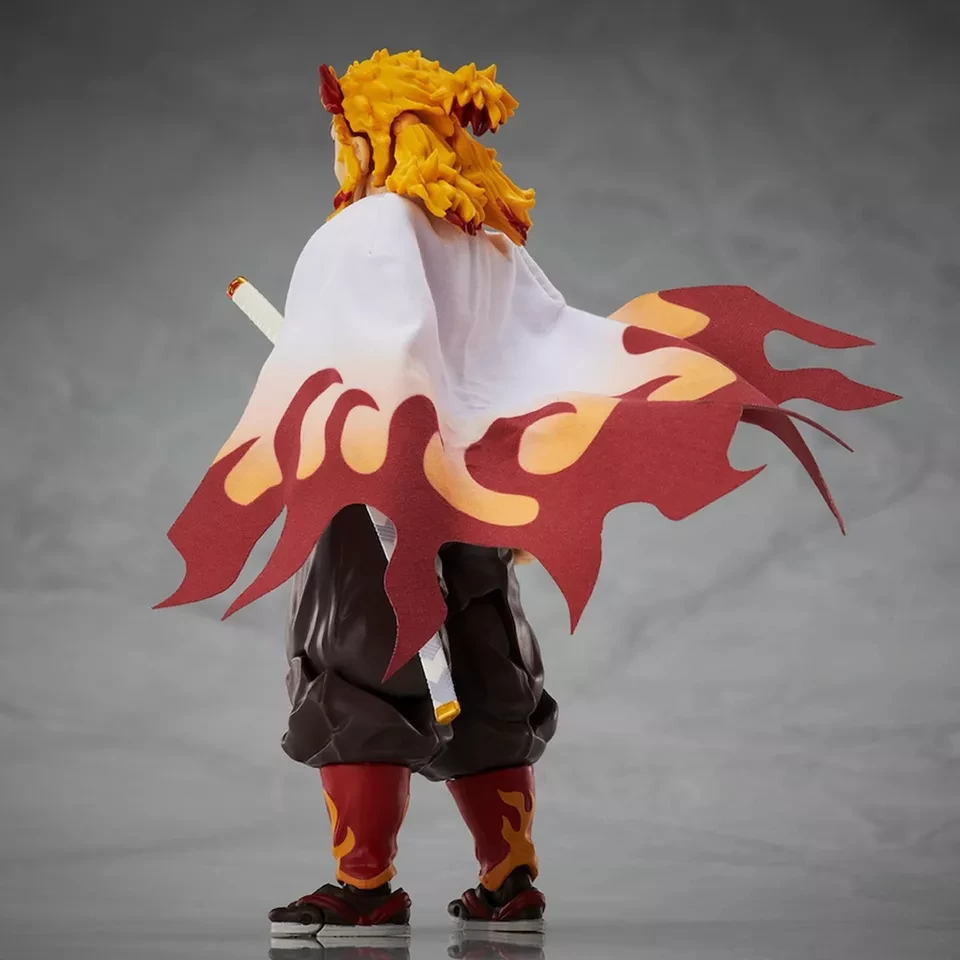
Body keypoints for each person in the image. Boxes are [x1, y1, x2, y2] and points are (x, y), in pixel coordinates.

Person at [157, 49, 898, 938]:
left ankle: (365, 885)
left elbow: (372, 368)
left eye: (338, 135)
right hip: (481, 493)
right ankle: (509, 879)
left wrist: (369, 463)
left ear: (363, 130)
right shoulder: (486, 239)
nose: (336, 152)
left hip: (384, 488)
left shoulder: (362, 231)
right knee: (484, 669)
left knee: (355, 668)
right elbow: (550, 353)